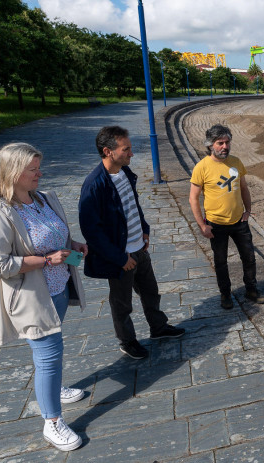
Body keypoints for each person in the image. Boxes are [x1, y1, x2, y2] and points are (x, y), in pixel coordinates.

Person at [0, 143, 88, 451]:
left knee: (49, 353)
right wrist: (45, 261)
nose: (40, 173)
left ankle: (52, 389)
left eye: (39, 167)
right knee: (49, 354)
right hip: (30, 298)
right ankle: (52, 422)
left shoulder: (43, 198)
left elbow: (52, 235)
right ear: (12, 173)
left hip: (60, 288)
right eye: (33, 169)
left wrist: (72, 244)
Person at [79, 126, 185, 360]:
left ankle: (158, 328)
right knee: (122, 303)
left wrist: (144, 230)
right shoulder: (94, 185)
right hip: (121, 258)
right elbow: (91, 231)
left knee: (151, 293)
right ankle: (127, 341)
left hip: (140, 249)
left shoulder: (125, 173)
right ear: (108, 151)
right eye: (126, 149)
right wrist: (119, 258)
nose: (131, 154)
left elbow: (133, 207)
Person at [189, 124, 264, 310]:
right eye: (220, 143)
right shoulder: (201, 167)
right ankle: (225, 294)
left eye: (227, 142)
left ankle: (251, 290)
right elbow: (193, 199)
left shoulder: (236, 162)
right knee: (221, 262)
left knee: (249, 257)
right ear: (210, 145)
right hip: (216, 224)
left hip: (239, 221)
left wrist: (247, 212)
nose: (225, 146)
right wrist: (202, 226)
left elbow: (244, 188)